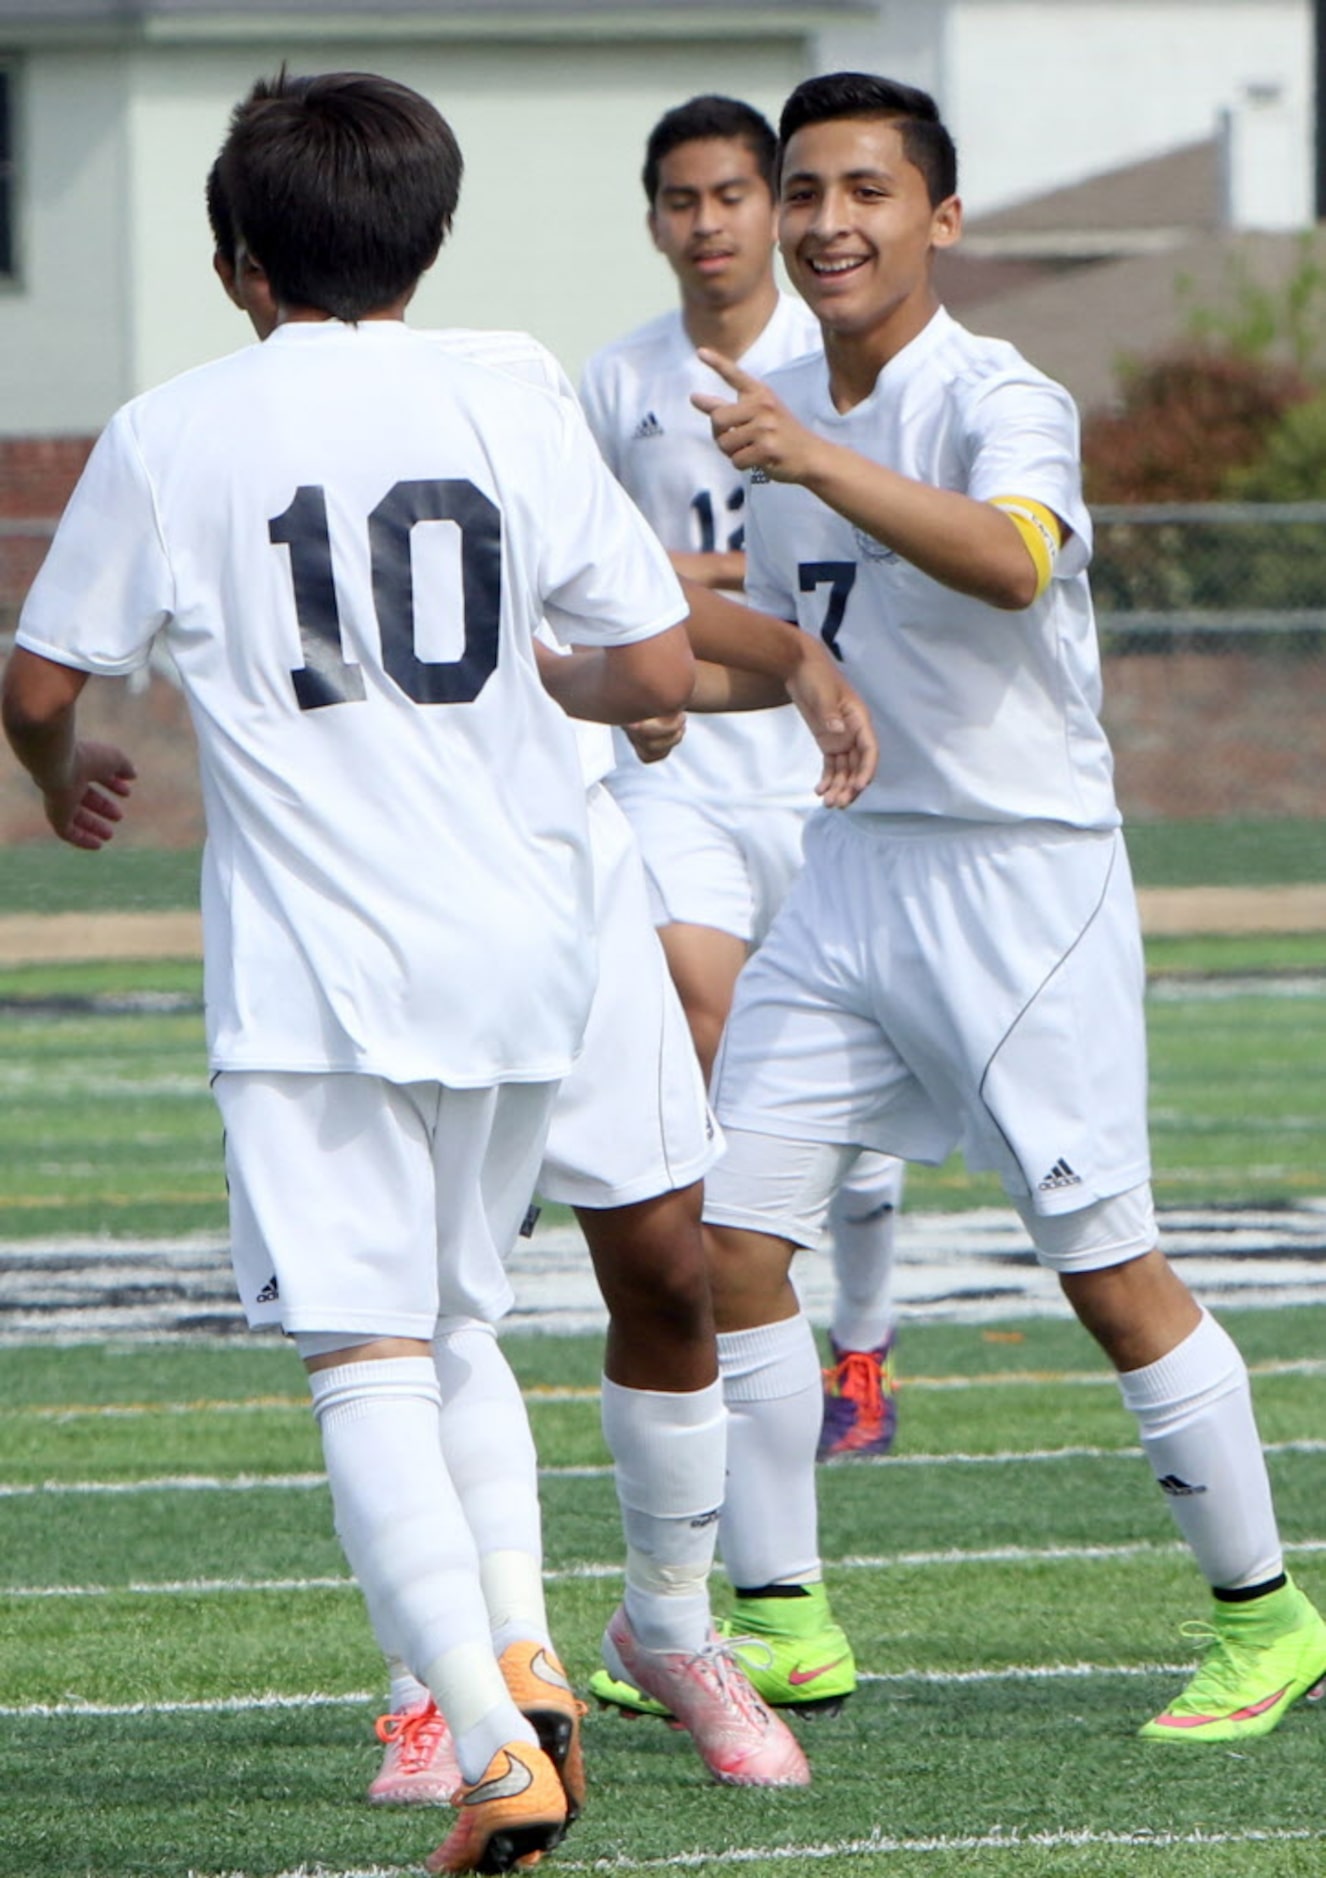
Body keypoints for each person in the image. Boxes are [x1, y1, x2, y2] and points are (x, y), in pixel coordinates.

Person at [3, 69, 707, 1877]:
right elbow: (655, 672)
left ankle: (484, 1742)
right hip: (526, 948)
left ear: (238, 259)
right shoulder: (505, 403)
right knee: (459, 1323)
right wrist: (546, 692)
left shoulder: (174, 429)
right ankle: (525, 1655)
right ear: (429, 235)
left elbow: (34, 681)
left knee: (364, 1353)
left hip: (324, 969)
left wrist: (63, 771)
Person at [199, 153, 875, 1799]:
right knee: (424, 1308)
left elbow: (627, 650)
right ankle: (447, 1671)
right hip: (393, 932)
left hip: (562, 912)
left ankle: (664, 1616)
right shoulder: (236, 430)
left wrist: (754, 659)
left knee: (662, 1264)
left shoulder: (503, 392)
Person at [690, 69, 1326, 1748]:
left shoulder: (997, 390)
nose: (829, 222)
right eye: (804, 190)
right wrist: (597, 657)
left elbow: (1011, 559)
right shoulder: (766, 411)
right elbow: (782, 636)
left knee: (1106, 1266)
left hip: (1015, 879)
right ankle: (781, 1620)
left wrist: (812, 460)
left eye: (867, 192)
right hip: (850, 875)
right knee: (723, 1235)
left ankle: (1266, 1617)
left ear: (940, 218)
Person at [582, 95, 905, 1476]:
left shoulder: (826, 357)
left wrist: (691, 583)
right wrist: (681, 606)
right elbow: (593, 568)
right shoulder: (615, 380)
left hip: (816, 760)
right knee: (706, 1014)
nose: (704, 224)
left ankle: (865, 1349)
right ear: (652, 216)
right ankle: (734, 1320)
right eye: (678, 200)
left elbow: (857, 543)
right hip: (682, 761)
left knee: (859, 1083)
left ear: (769, 207)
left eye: (728, 196)